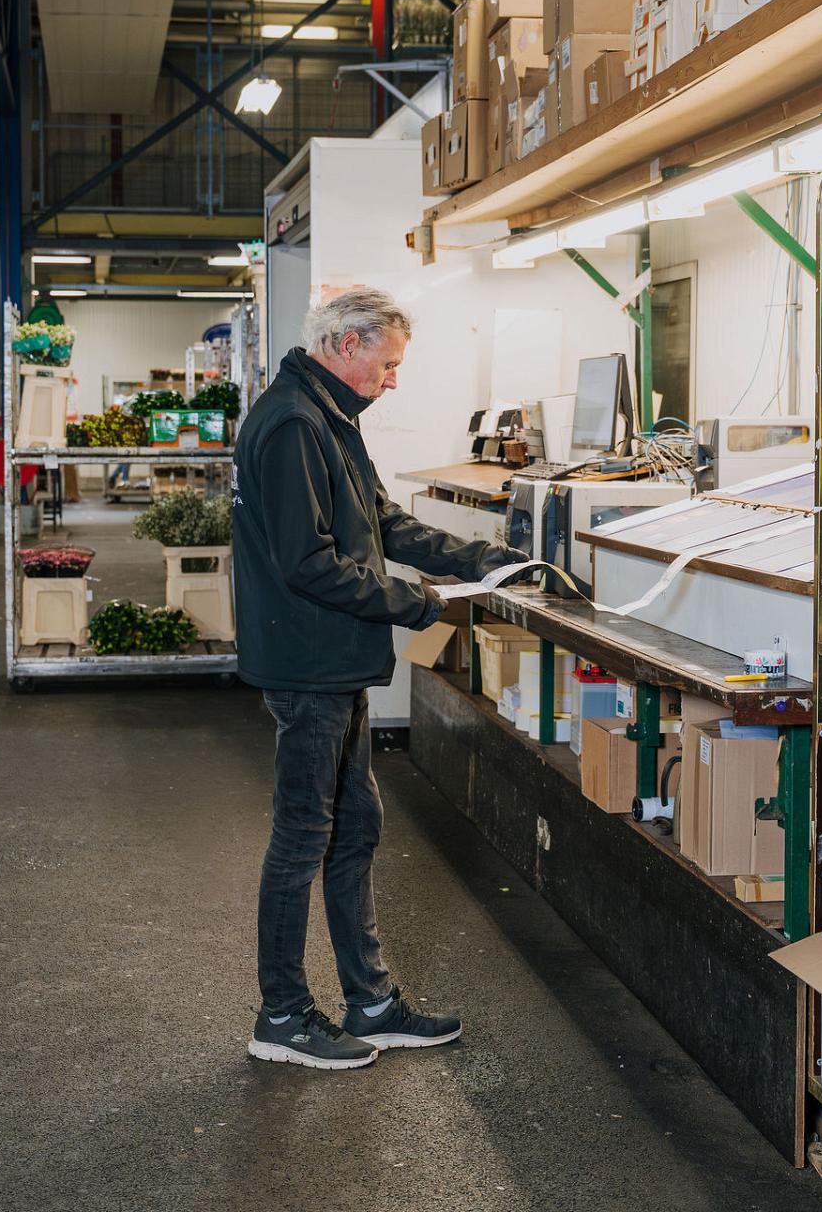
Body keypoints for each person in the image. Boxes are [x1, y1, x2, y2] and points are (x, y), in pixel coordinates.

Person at [232, 286, 526, 1071]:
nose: (393, 379)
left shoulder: (328, 418)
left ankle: (370, 1000)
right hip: (309, 663)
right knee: (303, 837)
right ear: (348, 344)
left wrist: (482, 561)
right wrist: (415, 604)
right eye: (389, 364)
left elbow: (381, 523)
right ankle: (283, 1015)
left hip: (336, 659)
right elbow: (308, 563)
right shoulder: (294, 424)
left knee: (354, 827)